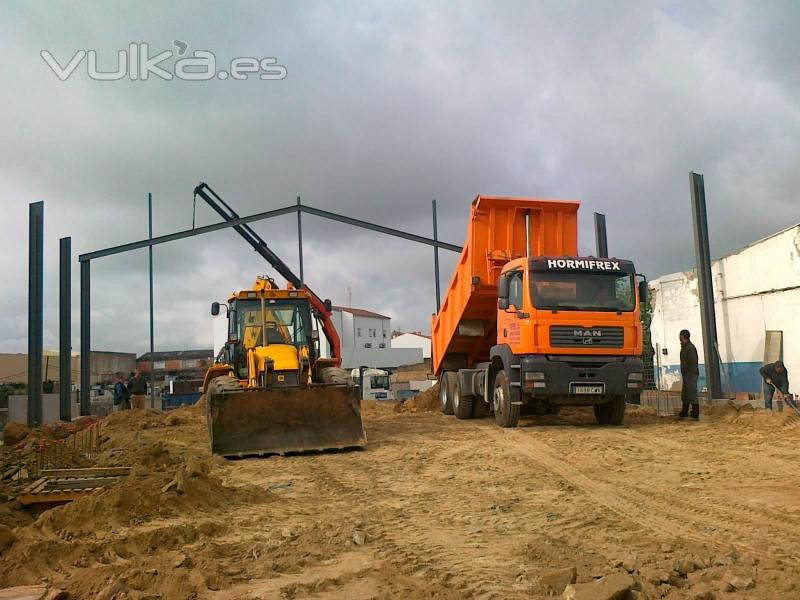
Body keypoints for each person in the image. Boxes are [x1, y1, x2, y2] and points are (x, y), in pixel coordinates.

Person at [679, 329, 699, 420]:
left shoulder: (690, 348)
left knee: (691, 393)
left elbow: (693, 362)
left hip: (691, 374)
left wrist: (690, 374)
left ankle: (695, 412)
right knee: (686, 394)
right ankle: (685, 411)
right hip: (686, 373)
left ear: (684, 337)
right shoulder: (684, 347)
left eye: (680, 336)